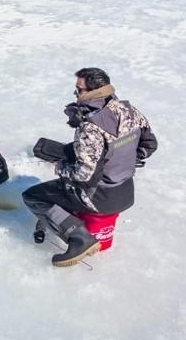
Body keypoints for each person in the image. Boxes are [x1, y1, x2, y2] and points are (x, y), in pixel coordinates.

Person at [22, 67, 158, 267]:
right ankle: (71, 222)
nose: (75, 93)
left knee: (33, 196)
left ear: (93, 92)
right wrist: (122, 159)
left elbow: (84, 176)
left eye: (78, 89)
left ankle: (79, 237)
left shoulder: (90, 127)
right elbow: (149, 145)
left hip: (99, 197)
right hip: (125, 191)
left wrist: (60, 166)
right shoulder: (129, 111)